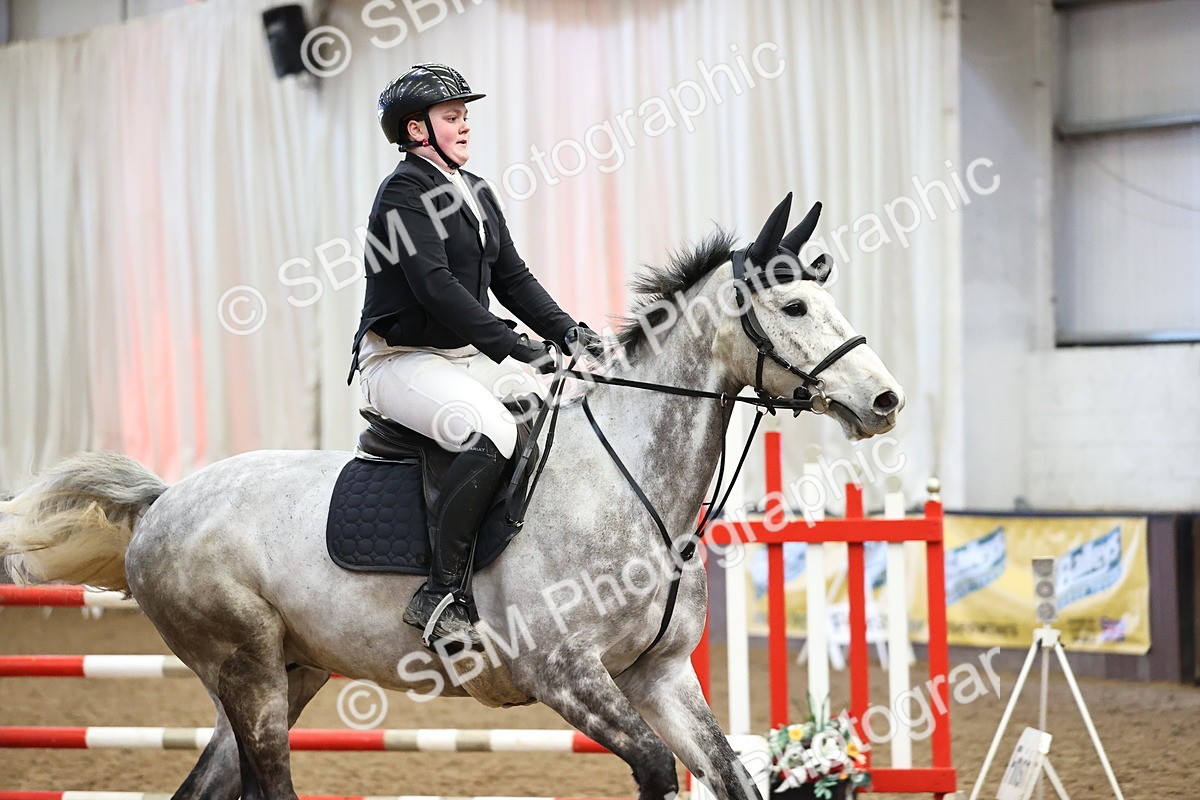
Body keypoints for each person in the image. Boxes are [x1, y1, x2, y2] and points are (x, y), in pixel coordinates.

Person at [346, 63, 601, 650]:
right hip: (402, 362)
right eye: (451, 116)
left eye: (465, 116)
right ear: (416, 130)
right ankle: (442, 593)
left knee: (567, 408)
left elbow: (511, 277)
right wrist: (515, 347)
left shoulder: (475, 188)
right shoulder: (403, 194)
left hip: (464, 356)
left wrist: (569, 334)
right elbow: (436, 287)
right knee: (491, 430)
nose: (464, 125)